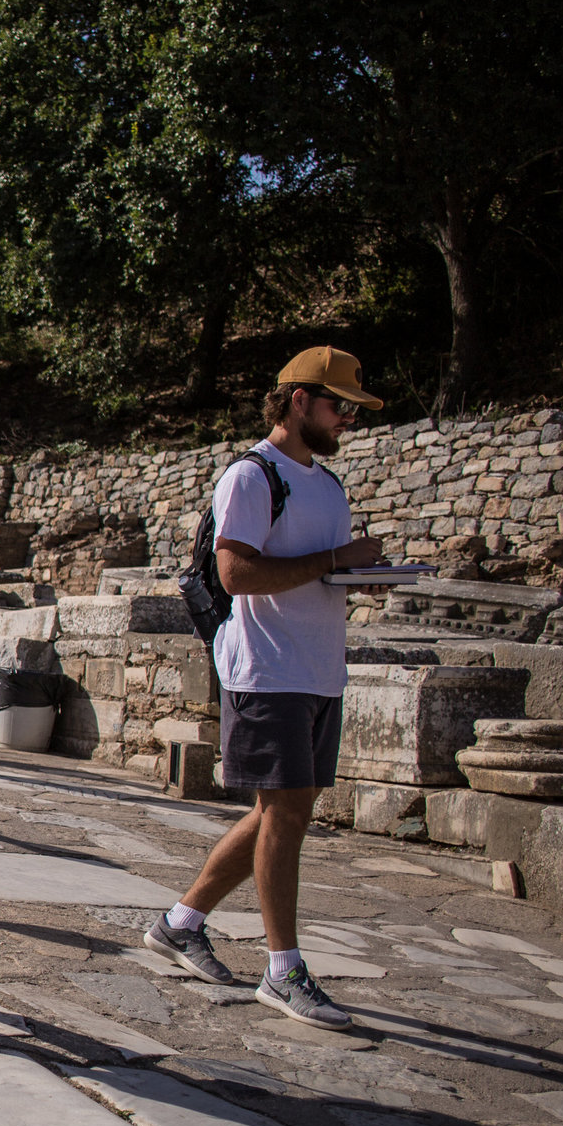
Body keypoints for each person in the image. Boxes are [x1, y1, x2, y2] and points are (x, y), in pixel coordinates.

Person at [144, 347, 387, 1030]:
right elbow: (236, 573)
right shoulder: (252, 477)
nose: (346, 419)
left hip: (317, 669)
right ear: (300, 399)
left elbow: (317, 575)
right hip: (265, 667)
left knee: (281, 812)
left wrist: (361, 574)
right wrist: (337, 561)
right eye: (339, 405)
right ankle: (284, 970)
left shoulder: (329, 487)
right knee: (284, 815)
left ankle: (179, 922)